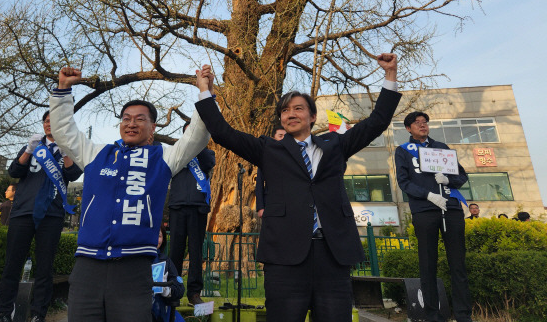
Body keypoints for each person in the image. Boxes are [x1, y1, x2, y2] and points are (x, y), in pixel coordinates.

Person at [194, 54, 401, 322]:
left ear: (313, 116)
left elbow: (377, 122)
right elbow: (223, 132)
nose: (291, 114)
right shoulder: (269, 149)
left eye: (298, 108)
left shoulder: (336, 146)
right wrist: (204, 91)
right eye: (285, 111)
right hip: (285, 256)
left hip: (333, 254)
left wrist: (390, 75)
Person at [49, 66, 211, 322]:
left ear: (152, 127)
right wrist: (63, 89)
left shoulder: (164, 158)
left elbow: (198, 136)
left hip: (134, 269)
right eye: (126, 118)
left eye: (139, 119)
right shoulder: (96, 154)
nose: (131, 123)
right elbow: (64, 132)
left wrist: (204, 91)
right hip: (87, 267)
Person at [0, 111, 83, 322]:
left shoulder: (68, 148)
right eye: (46, 121)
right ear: (43, 125)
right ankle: (3, 312)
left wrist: (66, 152)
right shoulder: (33, 146)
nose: (50, 125)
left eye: (55, 121)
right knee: (12, 264)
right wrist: (28, 150)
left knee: (45, 267)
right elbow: (14, 172)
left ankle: (38, 314)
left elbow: (74, 175)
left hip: (51, 214)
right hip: (23, 211)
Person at [395, 111, 472, 322]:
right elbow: (404, 182)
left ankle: (464, 315)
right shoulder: (403, 151)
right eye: (417, 123)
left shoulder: (441, 147)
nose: (422, 125)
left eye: (425, 122)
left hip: (451, 208)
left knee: (458, 263)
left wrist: (448, 180)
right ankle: (432, 315)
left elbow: (462, 175)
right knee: (428, 264)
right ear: (408, 128)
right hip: (425, 210)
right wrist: (427, 195)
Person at [168, 121, 215, 306]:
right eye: (189, 132)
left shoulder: (207, 152)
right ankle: (173, 289)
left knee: (196, 252)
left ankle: (194, 292)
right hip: (177, 206)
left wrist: (198, 142)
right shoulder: (175, 153)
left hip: (197, 208)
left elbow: (208, 162)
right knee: (175, 252)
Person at [152, 224, 185, 322]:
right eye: (152, 235)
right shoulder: (134, 261)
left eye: (159, 236)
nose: (155, 239)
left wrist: (167, 291)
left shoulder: (165, 261)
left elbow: (180, 288)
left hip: (162, 310)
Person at [255, 125, 286, 218]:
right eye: (280, 136)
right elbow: (259, 183)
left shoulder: (294, 156)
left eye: (286, 136)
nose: (283, 139)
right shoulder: (265, 156)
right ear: (274, 138)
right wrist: (260, 207)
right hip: (271, 205)